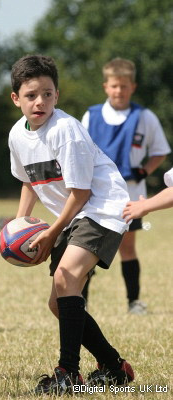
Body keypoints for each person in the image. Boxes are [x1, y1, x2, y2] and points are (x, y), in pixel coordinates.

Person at [8, 54, 134, 395]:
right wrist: (20, 223)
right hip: (74, 215)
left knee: (66, 278)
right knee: (58, 303)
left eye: (48, 94)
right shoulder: (17, 136)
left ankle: (69, 373)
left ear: (57, 96)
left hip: (103, 207)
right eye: (32, 95)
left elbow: (80, 193)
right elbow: (27, 182)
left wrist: (51, 231)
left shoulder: (66, 130)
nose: (40, 102)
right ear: (16, 98)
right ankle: (113, 367)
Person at [81, 57, 171, 315]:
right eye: (114, 86)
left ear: (133, 86)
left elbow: (160, 152)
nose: (119, 91)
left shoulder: (145, 117)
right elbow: (82, 149)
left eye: (124, 86)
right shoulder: (92, 115)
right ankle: (80, 302)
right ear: (105, 86)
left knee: (128, 248)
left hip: (131, 192)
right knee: (86, 246)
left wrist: (144, 171)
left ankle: (134, 302)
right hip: (96, 192)